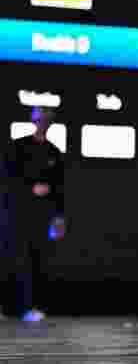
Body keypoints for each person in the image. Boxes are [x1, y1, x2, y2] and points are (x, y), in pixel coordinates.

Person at [4, 106, 65, 322]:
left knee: (39, 259)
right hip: (18, 212)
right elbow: (8, 179)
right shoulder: (18, 147)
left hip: (43, 215)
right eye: (40, 119)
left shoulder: (54, 152)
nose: (43, 124)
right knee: (16, 258)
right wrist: (29, 189)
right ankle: (12, 307)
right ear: (34, 120)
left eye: (48, 120)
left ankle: (34, 307)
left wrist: (59, 218)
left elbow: (60, 188)